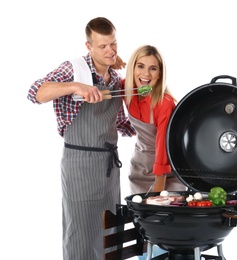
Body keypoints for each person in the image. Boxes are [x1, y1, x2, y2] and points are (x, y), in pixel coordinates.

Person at [27, 17, 135, 260]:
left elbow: (119, 123)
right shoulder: (73, 69)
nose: (110, 51)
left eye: (113, 44)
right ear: (89, 47)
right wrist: (76, 87)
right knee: (80, 233)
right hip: (79, 165)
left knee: (109, 231)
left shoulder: (115, 79)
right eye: (102, 46)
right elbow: (35, 92)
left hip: (108, 169)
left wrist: (147, 131)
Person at [124, 45, 187, 194]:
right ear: (132, 69)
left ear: (160, 74)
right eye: (140, 66)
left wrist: (157, 193)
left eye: (153, 68)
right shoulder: (127, 90)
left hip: (166, 174)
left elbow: (162, 149)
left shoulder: (164, 103)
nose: (146, 74)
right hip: (138, 171)